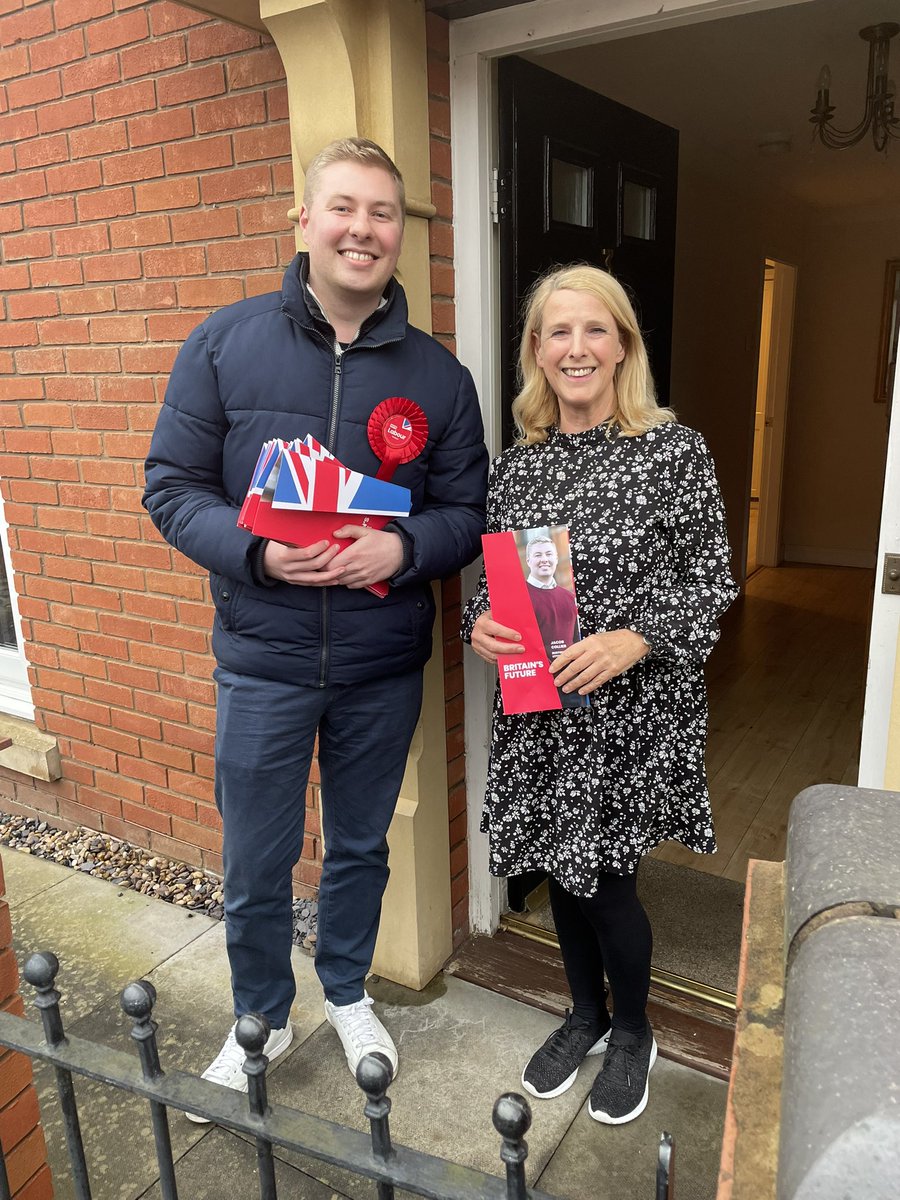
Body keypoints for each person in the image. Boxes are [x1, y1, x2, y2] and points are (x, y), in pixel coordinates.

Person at [143, 137, 488, 1113]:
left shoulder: (438, 379)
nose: (362, 229)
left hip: (381, 665)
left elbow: (465, 512)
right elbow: (170, 487)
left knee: (362, 847)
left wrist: (405, 549)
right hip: (263, 659)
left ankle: (342, 989)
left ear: (399, 234)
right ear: (305, 220)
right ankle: (263, 1010)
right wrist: (257, 553)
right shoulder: (223, 343)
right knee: (254, 861)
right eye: (343, 207)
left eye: (382, 213)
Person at [462, 263, 737, 1125]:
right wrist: (480, 621)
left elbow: (711, 581)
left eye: (594, 331)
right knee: (557, 869)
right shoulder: (517, 469)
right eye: (557, 332)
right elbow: (496, 584)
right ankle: (582, 1015)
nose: (576, 349)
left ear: (622, 345)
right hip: (542, 712)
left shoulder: (672, 450)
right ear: (537, 353)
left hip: (631, 719)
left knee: (609, 883)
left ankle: (634, 1031)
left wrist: (634, 639)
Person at [522, 533, 584, 710]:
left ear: (556, 559)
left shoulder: (569, 598)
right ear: (528, 561)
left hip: (571, 688)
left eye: (549, 554)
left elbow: (575, 641)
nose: (544, 560)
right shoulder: (519, 598)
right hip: (533, 688)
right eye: (538, 555)